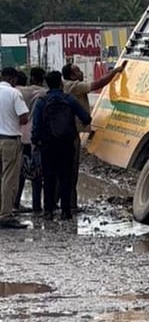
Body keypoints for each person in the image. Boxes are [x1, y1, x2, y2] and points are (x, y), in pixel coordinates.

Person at [61, 62, 125, 212]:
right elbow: (97, 84)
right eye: (78, 71)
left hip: (62, 134)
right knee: (72, 171)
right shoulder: (75, 86)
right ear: (72, 75)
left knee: (62, 171)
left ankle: (58, 204)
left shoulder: (65, 86)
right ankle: (70, 205)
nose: (81, 73)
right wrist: (114, 72)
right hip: (72, 134)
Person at [32, 71, 92, 221]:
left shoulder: (42, 102)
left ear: (47, 84)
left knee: (49, 177)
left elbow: (36, 126)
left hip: (47, 146)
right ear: (61, 83)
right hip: (66, 144)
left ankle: (48, 211)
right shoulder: (69, 100)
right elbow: (86, 118)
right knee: (66, 177)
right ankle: (66, 211)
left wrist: (36, 142)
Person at [0, 67, 30, 228]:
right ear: (13, 79)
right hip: (9, 140)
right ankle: (5, 215)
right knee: (9, 178)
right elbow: (24, 118)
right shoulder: (13, 93)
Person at [15, 68, 47, 214]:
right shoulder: (43, 93)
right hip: (35, 137)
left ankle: (15, 202)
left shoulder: (17, 92)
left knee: (18, 173)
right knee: (37, 173)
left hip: (18, 136)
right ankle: (37, 206)